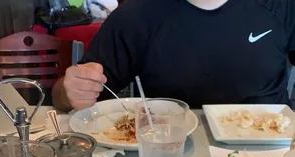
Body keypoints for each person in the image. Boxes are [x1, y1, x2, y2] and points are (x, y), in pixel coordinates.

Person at [52, 0, 295, 111]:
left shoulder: (281, 6)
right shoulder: (136, 15)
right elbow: (64, 96)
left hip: (274, 153)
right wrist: (69, 90)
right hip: (168, 156)